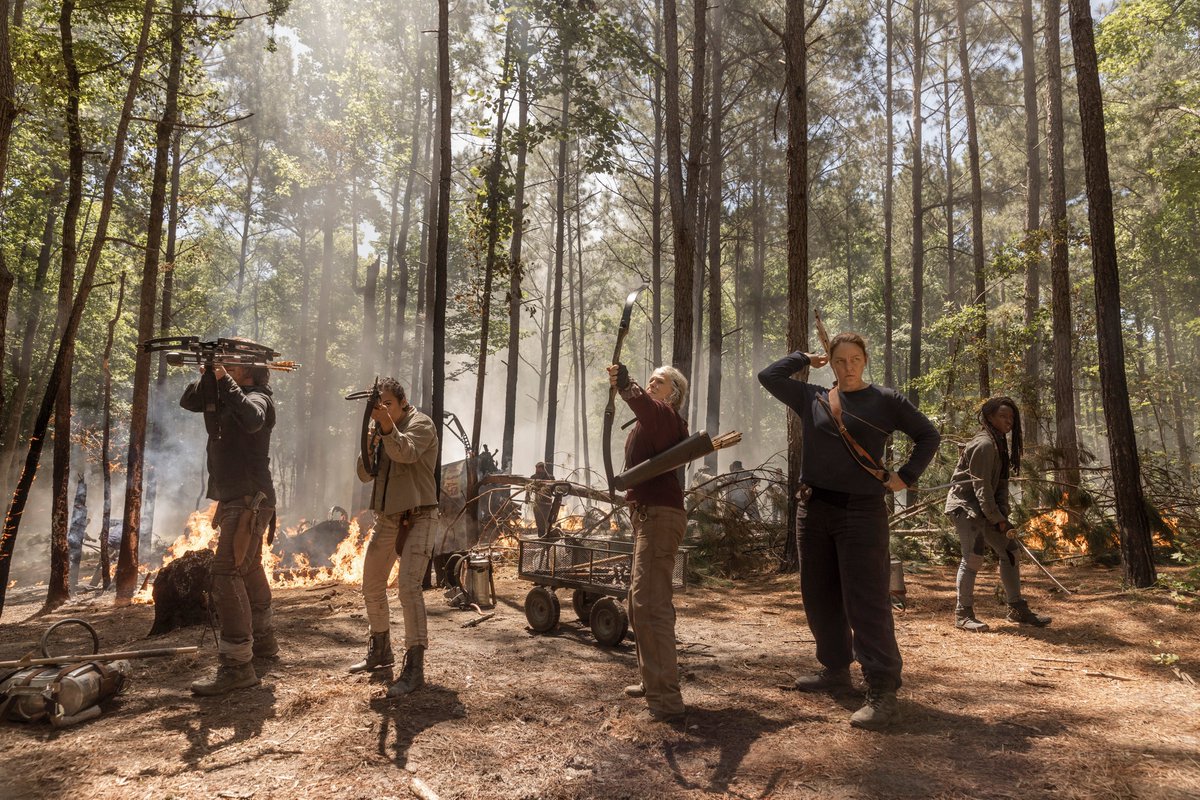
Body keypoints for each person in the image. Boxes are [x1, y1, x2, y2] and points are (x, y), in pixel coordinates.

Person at [758, 333, 940, 730]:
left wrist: (906, 476)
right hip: (813, 510)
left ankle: (882, 689)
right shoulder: (813, 398)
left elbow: (928, 435)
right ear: (831, 362)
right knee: (819, 595)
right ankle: (835, 670)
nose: (848, 366)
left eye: (855, 359)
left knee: (866, 600)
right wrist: (805, 357)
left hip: (861, 512)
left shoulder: (886, 400)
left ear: (865, 360)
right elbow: (768, 376)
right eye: (840, 360)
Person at [181, 357, 277, 696]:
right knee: (248, 568)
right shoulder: (228, 394)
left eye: (233, 365)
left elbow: (253, 420)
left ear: (248, 371)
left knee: (226, 573)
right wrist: (210, 377)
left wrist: (225, 381)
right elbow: (189, 401)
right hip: (237, 498)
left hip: (249, 500)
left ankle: (237, 666)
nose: (227, 369)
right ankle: (263, 642)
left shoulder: (259, 398)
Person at [606, 362, 690, 723]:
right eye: (651, 378)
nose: (653, 382)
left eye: (661, 381)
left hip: (659, 516)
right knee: (640, 601)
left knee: (650, 603)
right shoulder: (653, 420)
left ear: (674, 393)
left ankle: (666, 699)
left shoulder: (665, 415)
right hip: (648, 517)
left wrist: (627, 385)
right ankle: (651, 680)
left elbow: (648, 406)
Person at [348, 377, 440, 698]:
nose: (383, 409)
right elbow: (364, 473)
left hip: (419, 516)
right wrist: (371, 442)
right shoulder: (382, 429)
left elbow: (407, 453)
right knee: (372, 583)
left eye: (388, 403)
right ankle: (380, 649)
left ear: (403, 402)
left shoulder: (421, 424)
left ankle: (414, 666)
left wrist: (386, 427)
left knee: (409, 588)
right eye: (380, 404)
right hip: (388, 519)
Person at [945, 396, 1051, 631]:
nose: (1008, 421)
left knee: (1010, 550)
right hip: (966, 508)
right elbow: (981, 488)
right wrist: (997, 519)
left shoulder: (999, 443)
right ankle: (963, 615)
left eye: (1011, 417)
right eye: (1003, 416)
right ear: (989, 418)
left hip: (986, 508)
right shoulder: (984, 444)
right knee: (973, 558)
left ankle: (1016, 608)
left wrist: (1002, 515)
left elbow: (1000, 484)